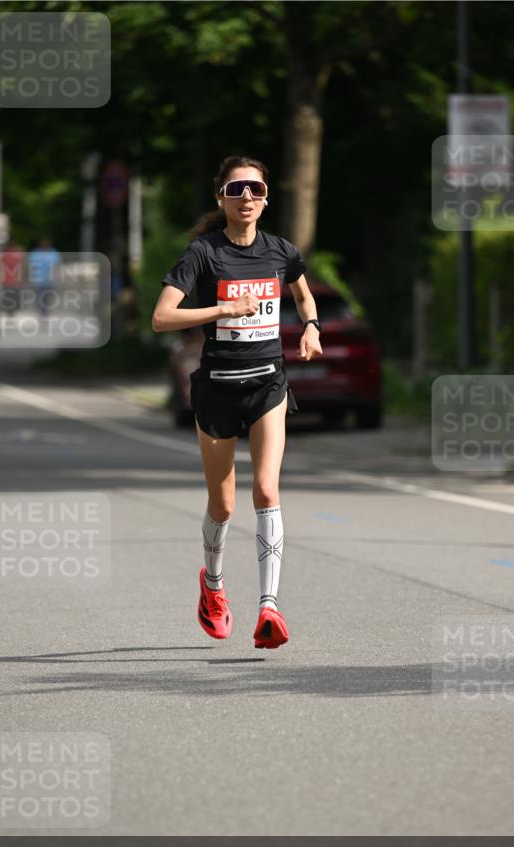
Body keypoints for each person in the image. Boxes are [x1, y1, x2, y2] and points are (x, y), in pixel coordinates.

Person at [153, 155, 322, 649]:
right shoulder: (201, 254)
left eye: (255, 189)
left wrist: (310, 328)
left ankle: (269, 608)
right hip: (218, 387)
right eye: (236, 190)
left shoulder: (282, 251)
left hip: (268, 383)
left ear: (266, 198)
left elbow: (304, 296)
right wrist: (224, 306)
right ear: (221, 198)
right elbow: (162, 318)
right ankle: (213, 585)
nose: (246, 197)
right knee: (223, 502)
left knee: (267, 490)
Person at [28, 237, 61, 317]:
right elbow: (31, 267)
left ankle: (46, 313)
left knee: (48, 298)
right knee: (39, 298)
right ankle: (41, 312)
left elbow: (56, 266)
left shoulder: (54, 253)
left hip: (49, 280)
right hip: (38, 280)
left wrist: (56, 277)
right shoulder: (35, 253)